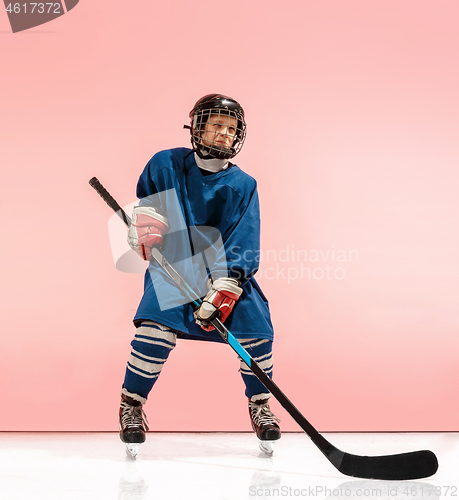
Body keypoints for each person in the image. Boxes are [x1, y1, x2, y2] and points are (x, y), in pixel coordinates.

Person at [119, 94, 281, 457]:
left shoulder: (243, 184)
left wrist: (227, 284)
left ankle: (260, 404)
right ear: (197, 126)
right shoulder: (166, 163)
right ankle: (132, 404)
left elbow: (244, 233)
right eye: (217, 125)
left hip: (224, 272)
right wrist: (145, 225)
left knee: (256, 332)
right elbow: (151, 207)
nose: (225, 134)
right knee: (154, 329)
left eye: (231, 128)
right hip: (175, 264)